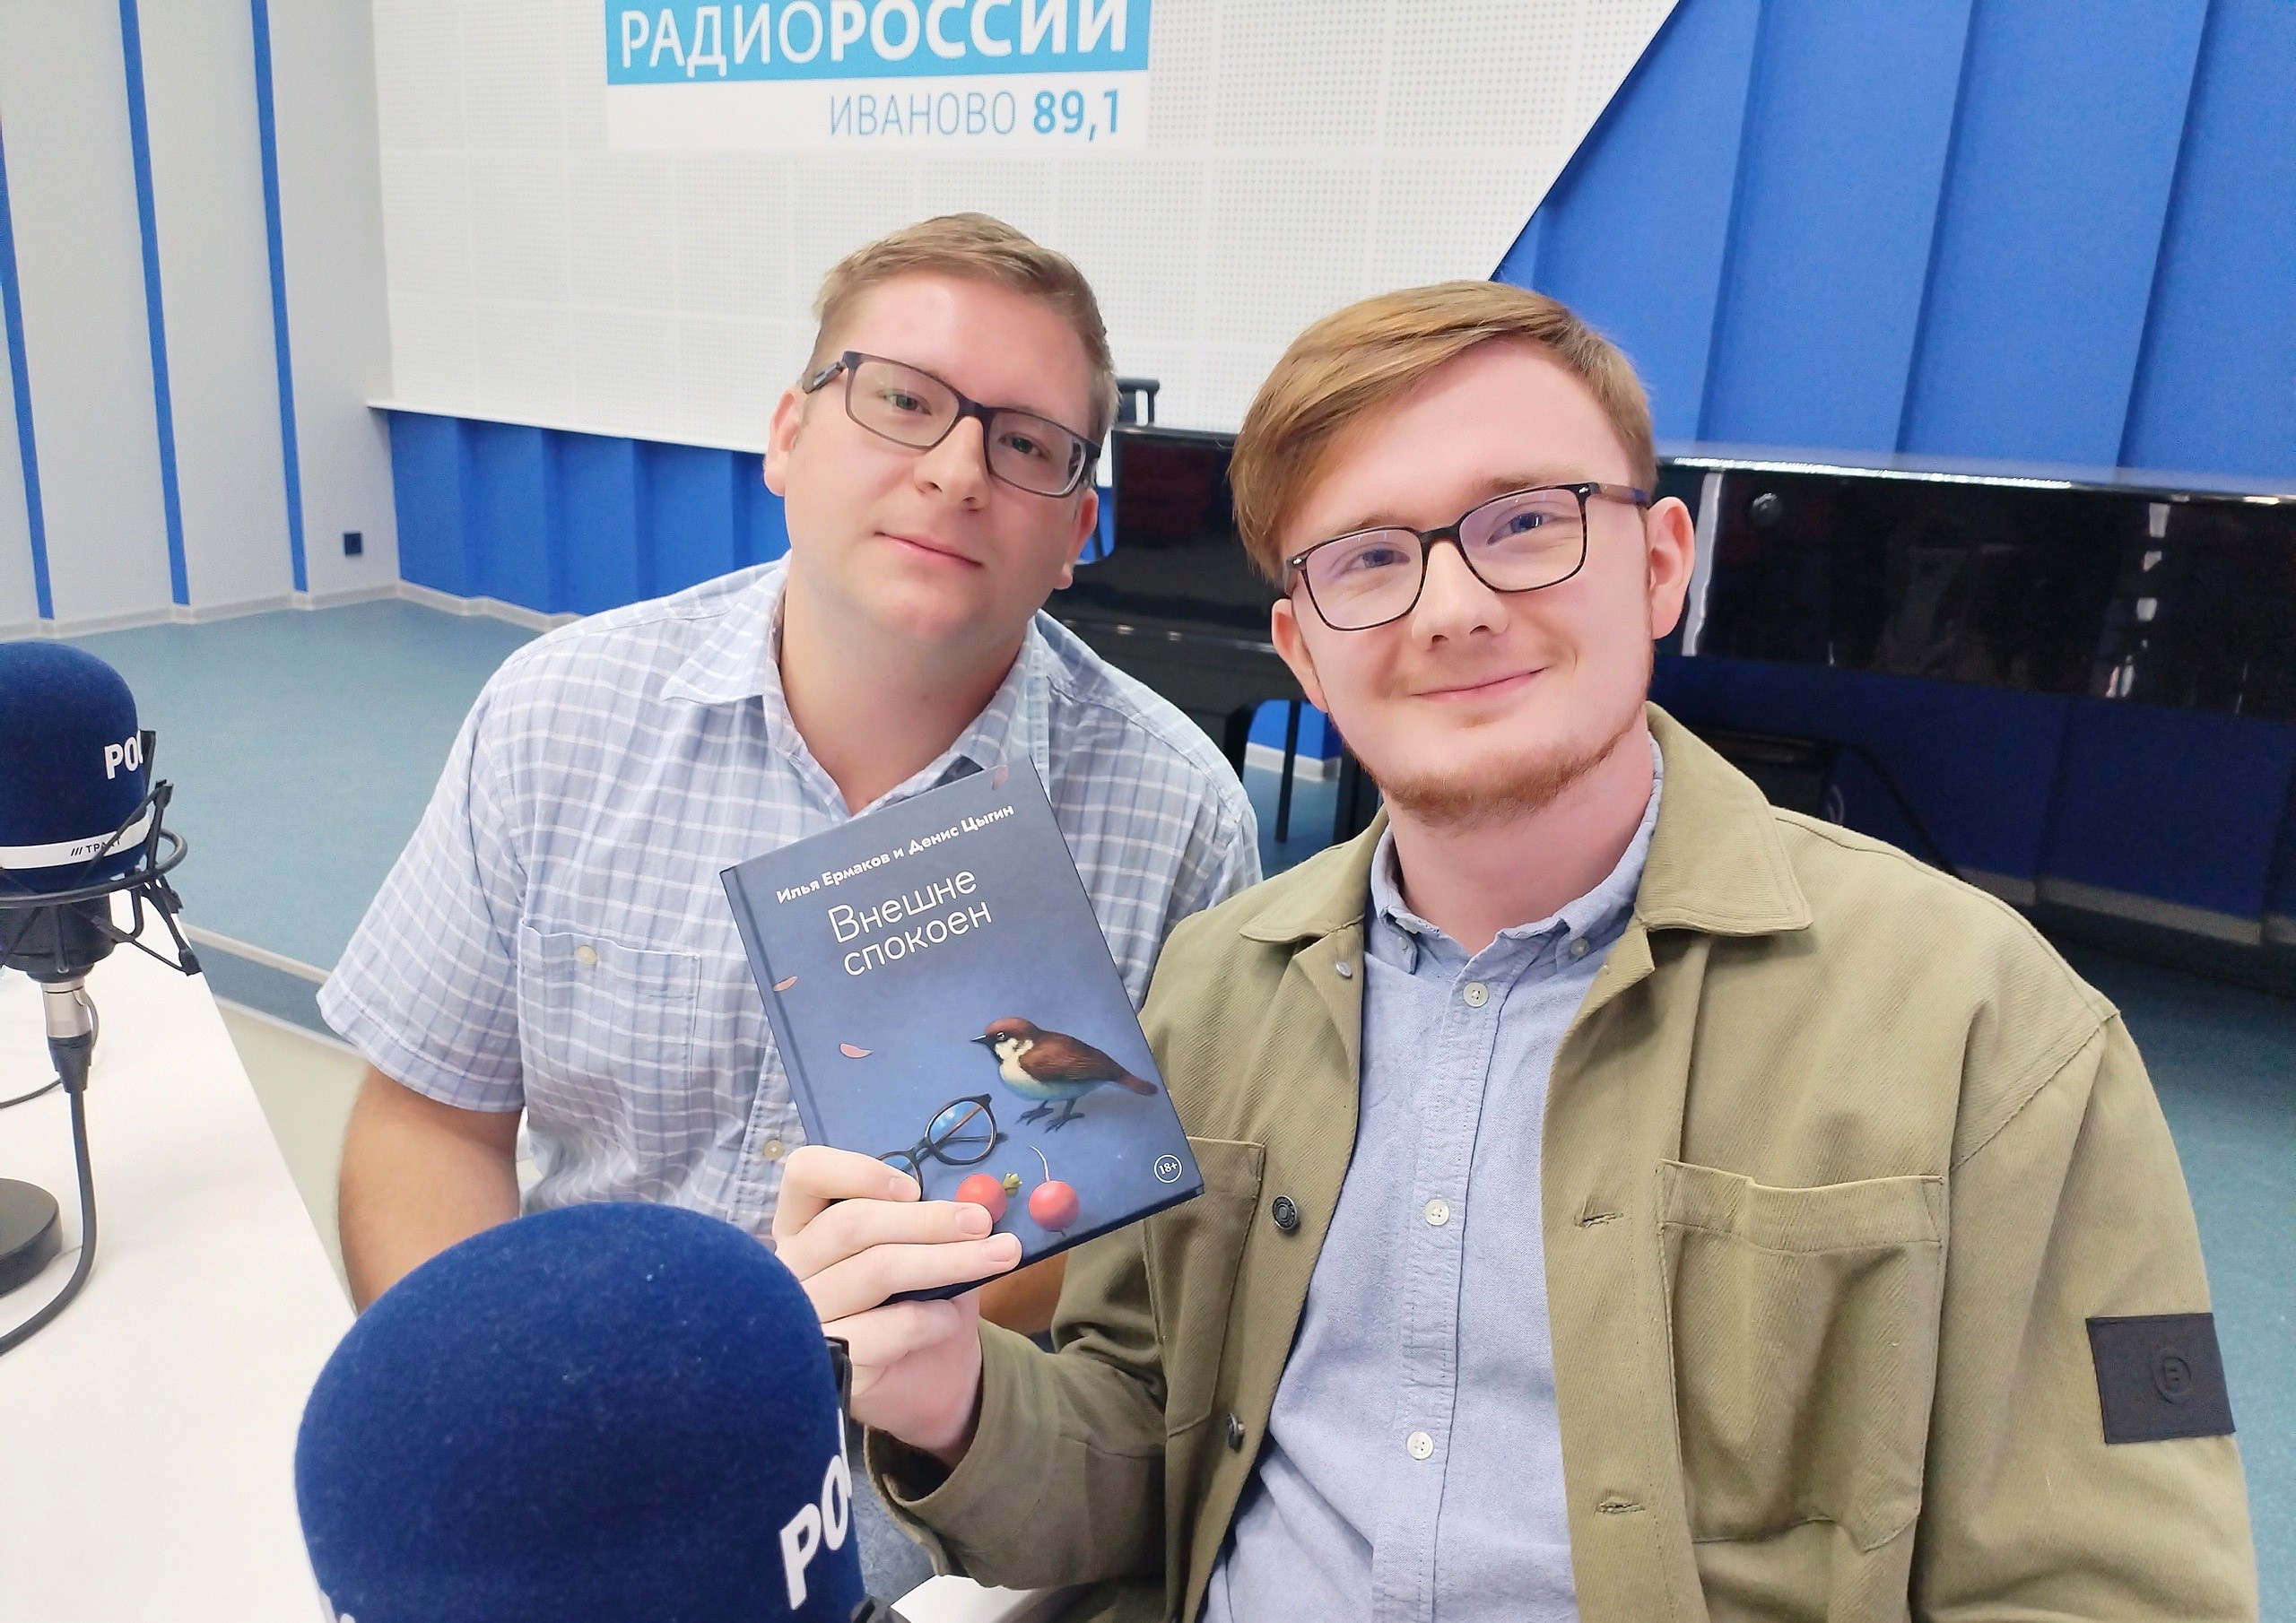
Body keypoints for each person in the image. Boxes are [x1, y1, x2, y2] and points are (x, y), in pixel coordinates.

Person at [772, 281, 2259, 1622]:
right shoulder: (1215, 988)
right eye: (1369, 558)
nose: (1456, 605)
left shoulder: (1988, 1029)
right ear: (1303, 650)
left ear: (1661, 564)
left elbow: (2111, 1584)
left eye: (1528, 523)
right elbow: (1137, 1463)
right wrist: (953, 1389)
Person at [317, 213, 1259, 1591]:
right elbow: (428, 1120)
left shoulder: (1178, 819)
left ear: (1077, 530)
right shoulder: (556, 715)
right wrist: (493, 1428)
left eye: (1026, 444)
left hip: (922, 1492)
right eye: (903, 400)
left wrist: (874, 1340)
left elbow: (1146, 1263)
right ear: (787, 435)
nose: (955, 470)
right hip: (567, 1440)